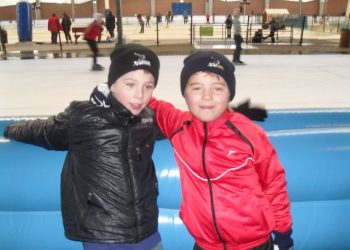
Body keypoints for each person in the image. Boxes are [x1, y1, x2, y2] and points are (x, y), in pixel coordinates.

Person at [90, 51, 291, 250]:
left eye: (218, 89)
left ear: (230, 94)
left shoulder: (249, 134)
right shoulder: (179, 126)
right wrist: (110, 91)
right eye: (196, 88)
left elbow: (274, 183)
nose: (207, 97)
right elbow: (152, 104)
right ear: (185, 93)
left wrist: (283, 235)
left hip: (254, 243)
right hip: (206, 245)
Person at [3, 44, 163, 250]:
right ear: (113, 83)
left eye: (148, 86)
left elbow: (181, 127)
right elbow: (44, 131)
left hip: (147, 232)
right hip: (103, 235)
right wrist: (10, 130)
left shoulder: (148, 119)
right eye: (130, 84)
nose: (140, 95)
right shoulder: (83, 117)